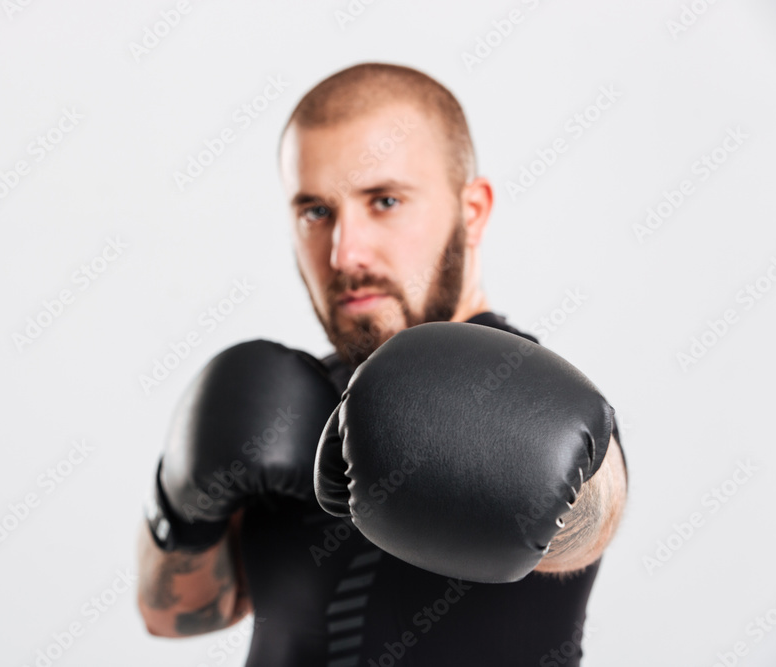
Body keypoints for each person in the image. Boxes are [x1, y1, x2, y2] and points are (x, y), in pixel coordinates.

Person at [137, 62, 629, 666]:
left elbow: (593, 509)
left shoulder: (534, 395)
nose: (345, 253)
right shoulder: (283, 402)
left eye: (385, 201)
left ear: (470, 211)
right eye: (316, 211)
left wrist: (565, 488)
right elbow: (171, 615)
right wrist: (180, 498)